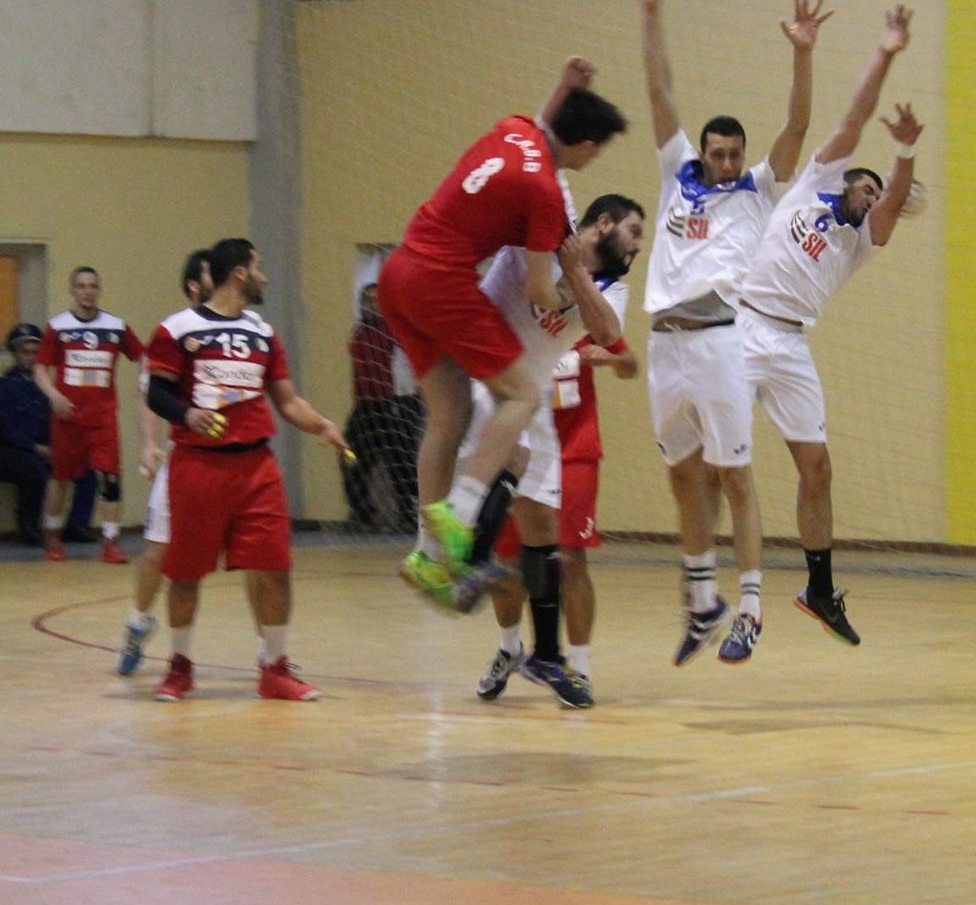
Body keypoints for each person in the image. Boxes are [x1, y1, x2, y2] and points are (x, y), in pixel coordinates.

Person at [634, 0, 831, 666]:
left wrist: (802, 56)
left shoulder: (757, 189)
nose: (721, 161)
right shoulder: (676, 177)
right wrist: (650, 11)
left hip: (722, 338)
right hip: (664, 343)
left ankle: (749, 608)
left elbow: (798, 126)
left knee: (735, 477)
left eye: (730, 153)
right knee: (683, 476)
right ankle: (701, 598)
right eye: (715, 152)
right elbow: (660, 90)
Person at [378, 58, 626, 602]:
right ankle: (460, 515)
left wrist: (563, 84)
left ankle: (426, 552)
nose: (595, 159)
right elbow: (541, 292)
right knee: (521, 394)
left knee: (449, 416)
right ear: (585, 146)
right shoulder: (544, 193)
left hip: (396, 273)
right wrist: (568, 290)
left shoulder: (515, 130)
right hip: (440, 281)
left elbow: (541, 121)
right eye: (598, 149)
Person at [738, 6, 919, 648]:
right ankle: (729, 594)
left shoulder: (861, 242)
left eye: (876, 194)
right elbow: (851, 116)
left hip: (787, 343)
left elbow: (896, 200)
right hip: (741, 325)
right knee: (716, 460)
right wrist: (884, 50)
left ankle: (818, 589)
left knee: (817, 470)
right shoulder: (814, 182)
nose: (870, 195)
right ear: (844, 181)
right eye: (864, 186)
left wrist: (903, 154)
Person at [143, 238, 350, 701]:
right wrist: (186, 414)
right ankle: (179, 666)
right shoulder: (178, 328)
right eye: (258, 267)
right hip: (197, 465)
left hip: (257, 467)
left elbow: (287, 400)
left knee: (275, 569)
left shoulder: (263, 332)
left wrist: (322, 426)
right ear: (239, 273)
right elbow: (156, 393)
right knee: (185, 573)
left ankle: (274, 668)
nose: (265, 276)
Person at [471, 194, 644, 708]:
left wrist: (608, 359)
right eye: (634, 232)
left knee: (567, 555)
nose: (638, 246)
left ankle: (573, 664)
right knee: (509, 552)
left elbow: (621, 346)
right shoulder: (537, 253)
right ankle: (509, 647)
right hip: (508, 407)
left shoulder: (611, 290)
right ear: (603, 224)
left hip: (571, 434)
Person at [117, 250, 256, 676]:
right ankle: (139, 622)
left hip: (237, 462)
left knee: (259, 556)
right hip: (187, 457)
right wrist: (147, 444)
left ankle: (273, 655)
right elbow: (150, 394)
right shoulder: (176, 332)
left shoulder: (247, 329)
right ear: (198, 286)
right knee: (159, 551)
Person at [35, 267, 144, 563]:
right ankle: (53, 536)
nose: (87, 291)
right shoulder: (58, 327)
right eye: (81, 286)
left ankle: (110, 542)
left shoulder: (116, 326)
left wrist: (144, 381)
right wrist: (54, 395)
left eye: (93, 286)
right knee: (61, 479)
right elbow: (40, 368)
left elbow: (142, 355)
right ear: (72, 290)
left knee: (110, 478)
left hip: (103, 418)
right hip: (68, 419)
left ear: (99, 290)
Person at [343, 282, 421, 532]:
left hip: (395, 403)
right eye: (365, 300)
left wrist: (407, 403)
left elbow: (409, 368)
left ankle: (410, 514)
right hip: (366, 405)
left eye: (375, 300)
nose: (370, 305)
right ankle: (362, 514)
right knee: (350, 456)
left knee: (401, 461)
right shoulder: (359, 333)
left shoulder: (395, 330)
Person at [0, 324, 51, 545]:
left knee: (84, 467)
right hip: (11, 449)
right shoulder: (5, 387)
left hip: (43, 447)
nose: (31, 358)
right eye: (25, 352)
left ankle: (76, 526)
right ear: (15, 354)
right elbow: (7, 430)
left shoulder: (46, 387)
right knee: (32, 468)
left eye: (35, 352)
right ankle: (29, 526)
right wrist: (37, 448)